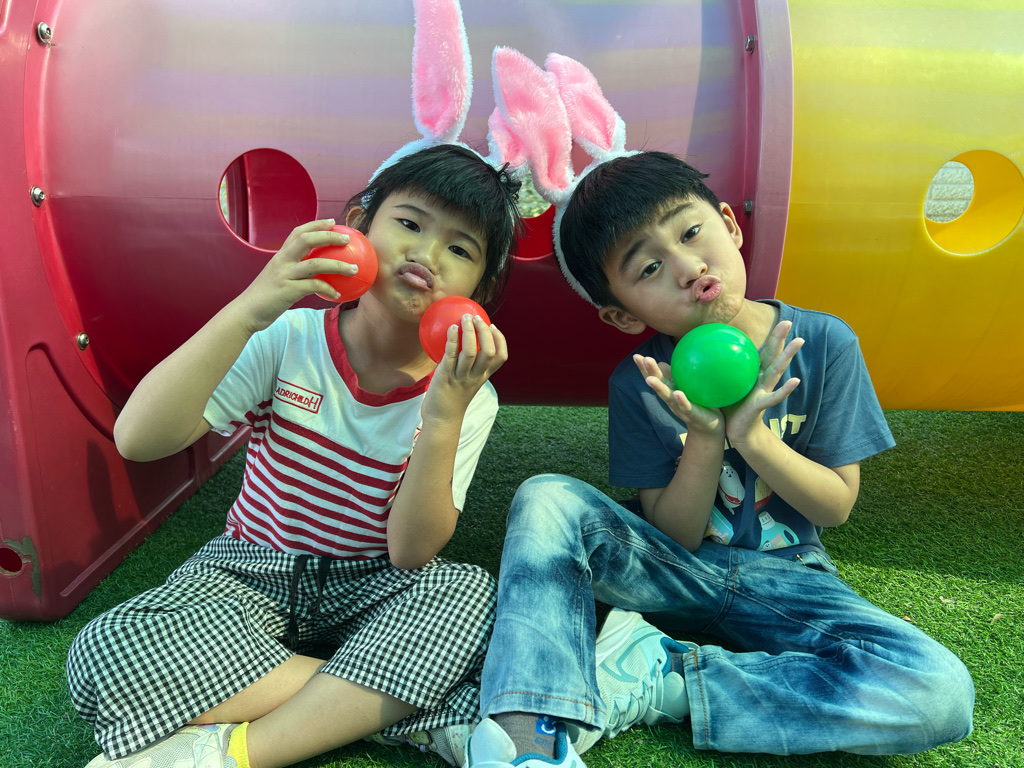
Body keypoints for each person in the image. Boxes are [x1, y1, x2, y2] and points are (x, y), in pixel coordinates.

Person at [464, 50, 975, 768]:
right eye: (648, 268)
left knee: (939, 692)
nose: (686, 267)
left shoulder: (823, 342)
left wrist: (754, 437)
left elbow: (834, 507)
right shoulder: (641, 381)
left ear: (730, 225)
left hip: (790, 582)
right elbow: (671, 531)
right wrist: (705, 439)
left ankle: (663, 677)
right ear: (621, 314)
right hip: (672, 571)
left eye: (690, 232)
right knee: (547, 496)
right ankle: (530, 732)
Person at [66, 139, 523, 768]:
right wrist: (250, 309)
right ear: (358, 225)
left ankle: (235, 751)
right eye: (410, 224)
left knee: (467, 595)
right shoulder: (290, 338)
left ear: (482, 286)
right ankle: (390, 706)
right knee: (105, 654)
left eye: (461, 249)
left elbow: (410, 552)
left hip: (375, 585)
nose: (427, 254)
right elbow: (139, 439)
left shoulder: (467, 395)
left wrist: (443, 414)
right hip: (248, 574)